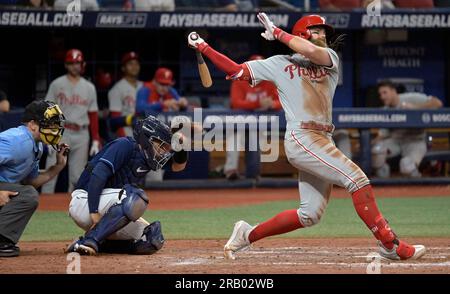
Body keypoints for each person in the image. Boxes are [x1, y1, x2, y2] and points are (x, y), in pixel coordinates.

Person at [187, 13, 426, 261]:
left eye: (324, 31)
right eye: (317, 30)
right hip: (302, 136)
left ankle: (246, 234)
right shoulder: (279, 63)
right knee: (356, 178)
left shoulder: (330, 58)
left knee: (310, 214)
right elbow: (236, 71)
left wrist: (279, 33)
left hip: (323, 138)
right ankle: (390, 244)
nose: (324, 35)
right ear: (302, 33)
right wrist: (204, 47)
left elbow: (311, 51)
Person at [66, 115, 189, 255]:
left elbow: (178, 167)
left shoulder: (149, 158)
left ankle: (83, 243)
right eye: (161, 146)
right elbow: (98, 174)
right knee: (137, 197)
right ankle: (92, 239)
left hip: (108, 207)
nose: (164, 152)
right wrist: (94, 213)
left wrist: (181, 145)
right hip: (85, 201)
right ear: (147, 140)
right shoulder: (124, 145)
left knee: (152, 239)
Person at [0, 100, 68, 257]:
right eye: (50, 124)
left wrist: (57, 167)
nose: (55, 128)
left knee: (27, 192)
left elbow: (30, 182)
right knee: (28, 195)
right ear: (32, 125)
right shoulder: (16, 141)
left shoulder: (36, 145)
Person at [42, 49, 101, 193]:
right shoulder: (57, 84)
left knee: (77, 176)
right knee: (51, 171)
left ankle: (73, 209)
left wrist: (95, 139)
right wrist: (48, 134)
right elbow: (48, 110)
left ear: (83, 64)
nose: (75, 66)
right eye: (72, 63)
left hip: (81, 132)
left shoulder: (89, 87)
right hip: (60, 131)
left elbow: (93, 113)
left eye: (78, 63)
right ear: (66, 65)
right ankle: (43, 208)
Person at [224, 54, 281, 180]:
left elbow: (281, 102)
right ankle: (231, 171)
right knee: (235, 138)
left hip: (259, 124)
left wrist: (272, 104)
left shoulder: (270, 82)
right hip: (239, 123)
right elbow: (236, 103)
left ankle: (253, 174)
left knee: (255, 139)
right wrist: (257, 103)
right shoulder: (239, 80)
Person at [371, 81, 443, 178]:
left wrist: (415, 108)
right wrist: (370, 144)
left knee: (406, 166)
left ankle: (418, 188)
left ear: (393, 91)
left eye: (385, 92)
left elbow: (437, 103)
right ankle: (387, 190)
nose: (382, 97)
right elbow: (383, 134)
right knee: (376, 152)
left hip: (415, 141)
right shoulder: (386, 109)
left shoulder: (411, 98)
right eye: (380, 94)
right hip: (395, 141)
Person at [108, 51, 143, 138]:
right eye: (130, 64)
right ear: (123, 68)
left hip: (145, 135)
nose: (134, 67)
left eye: (136, 64)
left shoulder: (144, 87)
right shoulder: (117, 89)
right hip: (127, 132)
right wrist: (125, 140)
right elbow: (115, 121)